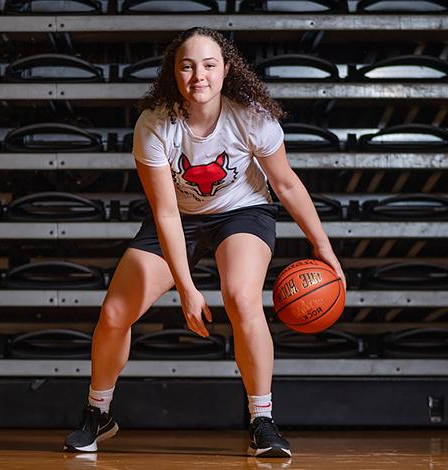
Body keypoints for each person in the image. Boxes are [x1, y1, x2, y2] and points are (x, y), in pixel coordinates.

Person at [64, 26, 345, 458]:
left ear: (226, 69)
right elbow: (165, 213)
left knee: (241, 298)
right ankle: (98, 412)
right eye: (188, 66)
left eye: (209, 65)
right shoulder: (154, 125)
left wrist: (323, 248)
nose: (199, 75)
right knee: (115, 312)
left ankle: (262, 421)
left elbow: (286, 184)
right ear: (174, 73)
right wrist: (187, 288)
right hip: (181, 218)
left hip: (243, 210)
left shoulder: (251, 116)